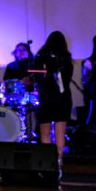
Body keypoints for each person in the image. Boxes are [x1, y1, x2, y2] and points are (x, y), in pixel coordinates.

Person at [33, 31, 74, 165]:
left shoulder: (40, 57)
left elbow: (36, 77)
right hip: (62, 98)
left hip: (46, 97)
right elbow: (67, 80)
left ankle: (47, 163)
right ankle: (59, 161)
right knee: (60, 132)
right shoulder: (67, 59)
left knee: (45, 132)